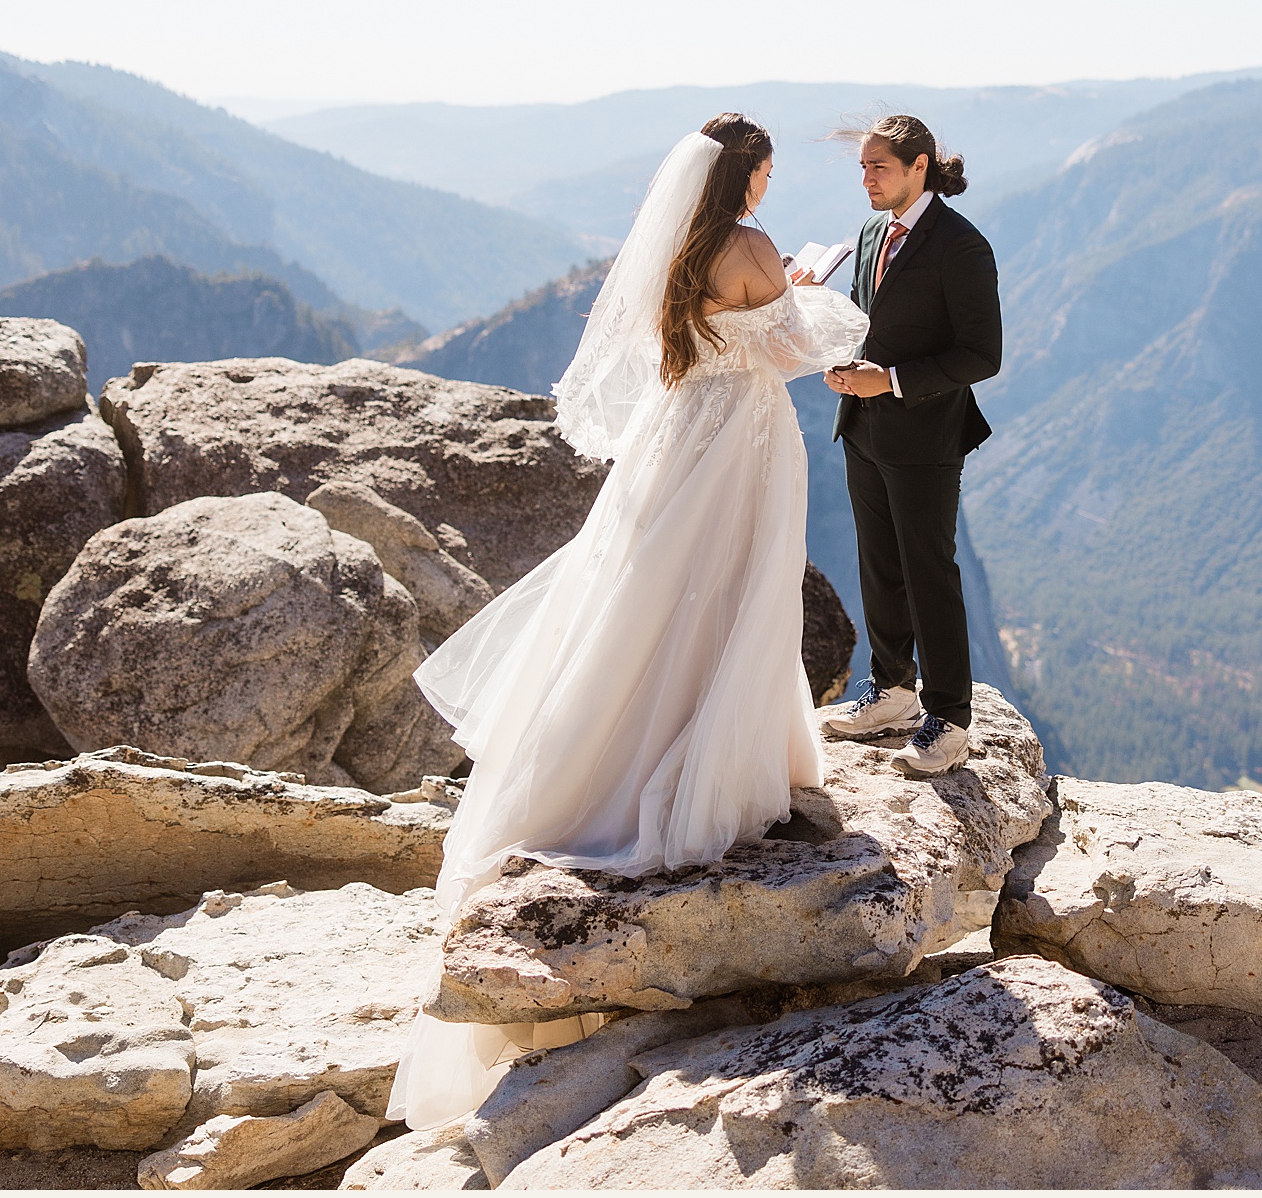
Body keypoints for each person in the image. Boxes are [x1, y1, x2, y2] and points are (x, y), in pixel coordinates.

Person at [388, 113, 869, 1129]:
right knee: (739, 589)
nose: (773, 187)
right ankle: (724, 755)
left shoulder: (675, 253)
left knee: (653, 592)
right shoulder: (745, 249)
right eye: (771, 173)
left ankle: (624, 740)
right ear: (750, 177)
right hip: (740, 437)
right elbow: (784, 350)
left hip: (678, 430)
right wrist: (818, 291)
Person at [814, 114, 1002, 778]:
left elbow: (983, 354)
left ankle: (949, 719)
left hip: (925, 433)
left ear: (920, 166)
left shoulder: (961, 246)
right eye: (863, 167)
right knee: (879, 564)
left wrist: (889, 380)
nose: (866, 178)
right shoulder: (871, 232)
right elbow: (873, 323)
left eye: (878, 167)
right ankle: (892, 691)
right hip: (861, 426)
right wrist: (843, 356)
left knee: (930, 571)